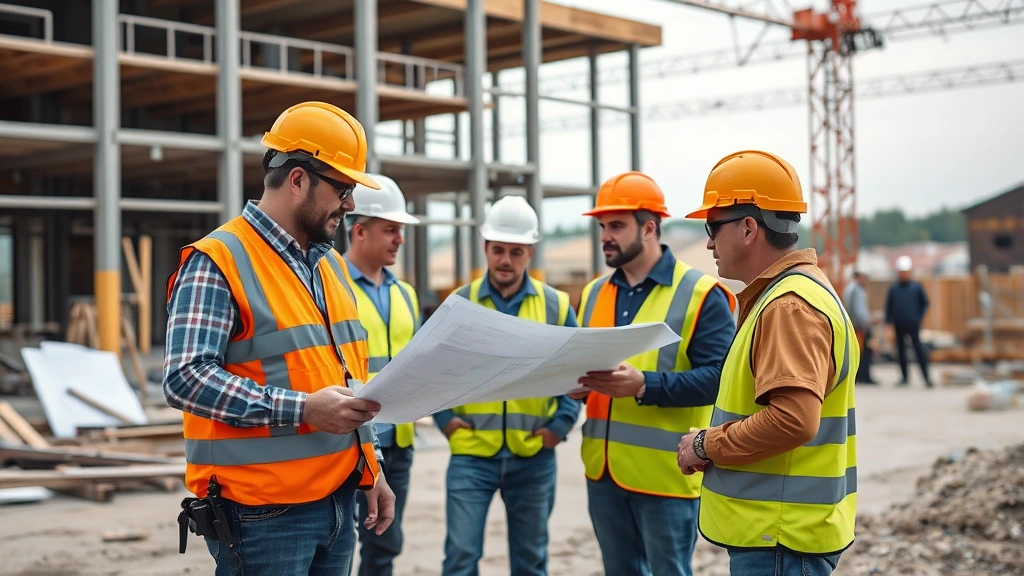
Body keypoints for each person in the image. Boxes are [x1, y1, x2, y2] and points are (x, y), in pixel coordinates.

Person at [164, 101, 395, 575]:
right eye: (343, 188)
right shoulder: (218, 261)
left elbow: (347, 377)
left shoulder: (328, 265)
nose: (349, 204)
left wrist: (370, 467)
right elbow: (185, 378)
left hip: (338, 502)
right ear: (298, 180)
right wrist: (305, 410)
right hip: (263, 515)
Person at [677, 150, 858, 576]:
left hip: (779, 540)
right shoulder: (798, 292)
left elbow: (794, 420)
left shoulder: (788, 305)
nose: (707, 242)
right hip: (781, 537)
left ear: (748, 228)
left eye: (712, 227)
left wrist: (706, 443)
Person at [571, 171, 736, 576]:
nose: (605, 236)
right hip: (603, 472)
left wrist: (645, 385)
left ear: (649, 228)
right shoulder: (594, 293)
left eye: (616, 226)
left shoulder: (700, 295)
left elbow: (721, 380)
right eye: (601, 226)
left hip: (667, 476)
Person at [433, 195, 581, 576]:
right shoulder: (459, 305)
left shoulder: (556, 307)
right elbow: (430, 371)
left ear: (529, 252)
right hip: (471, 453)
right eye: (498, 250)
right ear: (485, 248)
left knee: (531, 562)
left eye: (516, 251)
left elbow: (576, 374)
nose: (505, 260)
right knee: (460, 559)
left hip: (533, 454)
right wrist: (446, 420)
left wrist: (559, 427)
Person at [344, 175, 421, 576]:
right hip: (351, 442)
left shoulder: (405, 294)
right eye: (391, 229)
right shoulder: (331, 285)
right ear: (360, 231)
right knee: (340, 544)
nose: (399, 239)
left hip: (399, 442)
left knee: (385, 544)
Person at [885, 255, 932, 387]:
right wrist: (888, 323)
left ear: (910, 272)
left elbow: (925, 303)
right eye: (901, 272)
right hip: (899, 324)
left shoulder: (916, 288)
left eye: (905, 272)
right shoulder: (894, 289)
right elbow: (889, 307)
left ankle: (926, 377)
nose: (904, 274)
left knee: (918, 350)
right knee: (901, 351)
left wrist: (918, 317)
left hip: (913, 324)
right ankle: (904, 377)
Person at [843, 270, 876, 384]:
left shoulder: (850, 289)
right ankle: (863, 376)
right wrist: (867, 321)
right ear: (859, 277)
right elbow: (858, 311)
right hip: (859, 327)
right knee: (864, 352)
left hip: (856, 326)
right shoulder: (856, 290)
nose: (867, 280)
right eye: (865, 277)